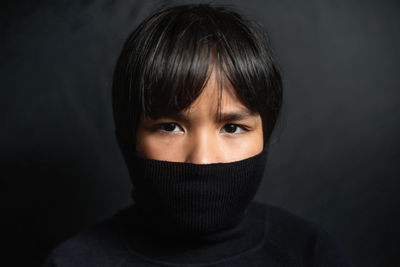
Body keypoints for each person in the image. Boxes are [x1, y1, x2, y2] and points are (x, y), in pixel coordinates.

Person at [43, 4, 352, 266]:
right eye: (169, 127)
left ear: (264, 135)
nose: (202, 160)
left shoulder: (312, 254)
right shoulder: (73, 261)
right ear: (129, 136)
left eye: (232, 128)